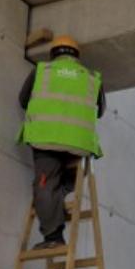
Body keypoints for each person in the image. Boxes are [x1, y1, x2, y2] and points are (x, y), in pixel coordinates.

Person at [17, 35, 105, 250]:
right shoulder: (93, 78)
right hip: (79, 146)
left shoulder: (41, 71)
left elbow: (22, 100)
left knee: (44, 186)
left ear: (53, 54)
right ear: (77, 56)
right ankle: (59, 196)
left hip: (46, 140)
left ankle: (53, 235)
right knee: (67, 178)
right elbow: (100, 111)